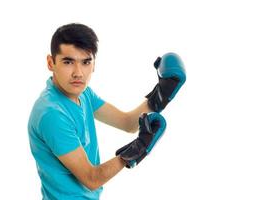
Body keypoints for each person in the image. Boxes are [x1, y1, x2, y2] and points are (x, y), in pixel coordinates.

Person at [28, 23, 185, 200]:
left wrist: (161, 95)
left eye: (86, 62)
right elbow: (91, 178)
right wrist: (137, 149)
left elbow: (127, 123)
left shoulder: (83, 93)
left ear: (94, 64)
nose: (78, 73)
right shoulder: (52, 114)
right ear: (51, 63)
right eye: (68, 62)